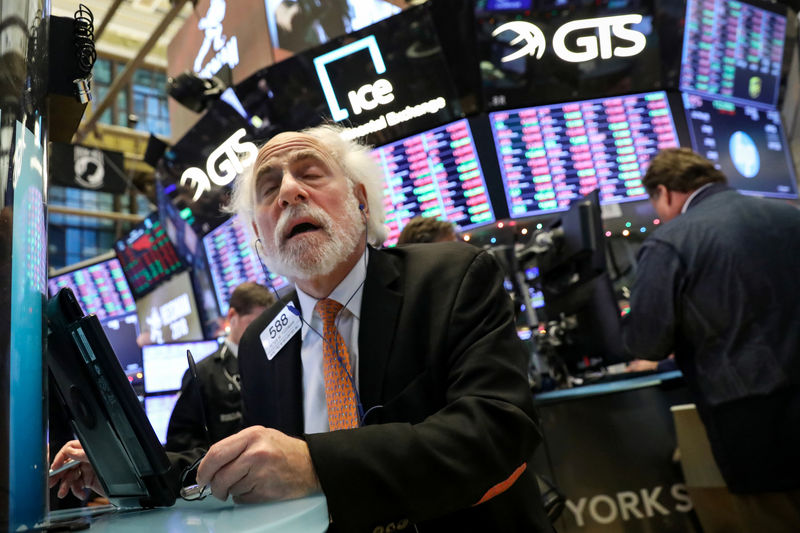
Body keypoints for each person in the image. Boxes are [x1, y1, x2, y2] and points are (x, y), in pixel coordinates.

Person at [50, 124, 552, 531]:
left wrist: (316, 463)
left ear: (360, 200)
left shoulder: (452, 278)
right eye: (270, 188)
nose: (290, 191)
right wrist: (129, 464)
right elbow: (256, 462)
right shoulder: (261, 340)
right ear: (259, 238)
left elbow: (498, 431)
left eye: (310, 174)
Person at [622, 148, 800, 524]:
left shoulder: (671, 240)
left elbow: (647, 342)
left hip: (753, 417)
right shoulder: (789, 215)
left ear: (665, 192)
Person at [165, 282, 275, 452]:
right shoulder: (202, 373)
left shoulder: (277, 362)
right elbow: (180, 440)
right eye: (254, 324)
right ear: (232, 316)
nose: (261, 332)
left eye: (266, 326)